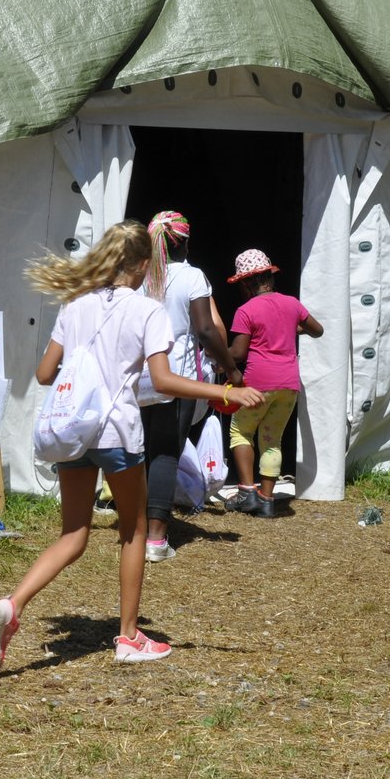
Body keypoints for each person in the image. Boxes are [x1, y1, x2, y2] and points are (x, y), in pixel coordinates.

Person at [0, 221, 262, 672]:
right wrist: (225, 393)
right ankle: (129, 637)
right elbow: (164, 381)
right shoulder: (148, 311)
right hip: (116, 432)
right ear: (146, 265)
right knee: (132, 529)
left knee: (73, 535)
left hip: (73, 433)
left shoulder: (75, 305)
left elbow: (45, 375)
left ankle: (12, 606)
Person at [135, 210, 241, 562]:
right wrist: (230, 368)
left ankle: (135, 527)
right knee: (166, 452)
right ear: (185, 242)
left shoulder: (139, 276)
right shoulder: (192, 276)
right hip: (173, 374)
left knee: (143, 451)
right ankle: (156, 539)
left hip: (139, 373)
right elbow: (206, 328)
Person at [224, 249, 323, 518]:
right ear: (270, 275)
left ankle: (246, 492)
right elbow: (317, 330)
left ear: (245, 283)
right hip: (288, 383)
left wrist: (219, 353)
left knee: (241, 432)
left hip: (257, 382)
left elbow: (239, 353)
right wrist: (289, 327)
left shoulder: (246, 310)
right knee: (272, 440)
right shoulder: (292, 303)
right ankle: (266, 499)